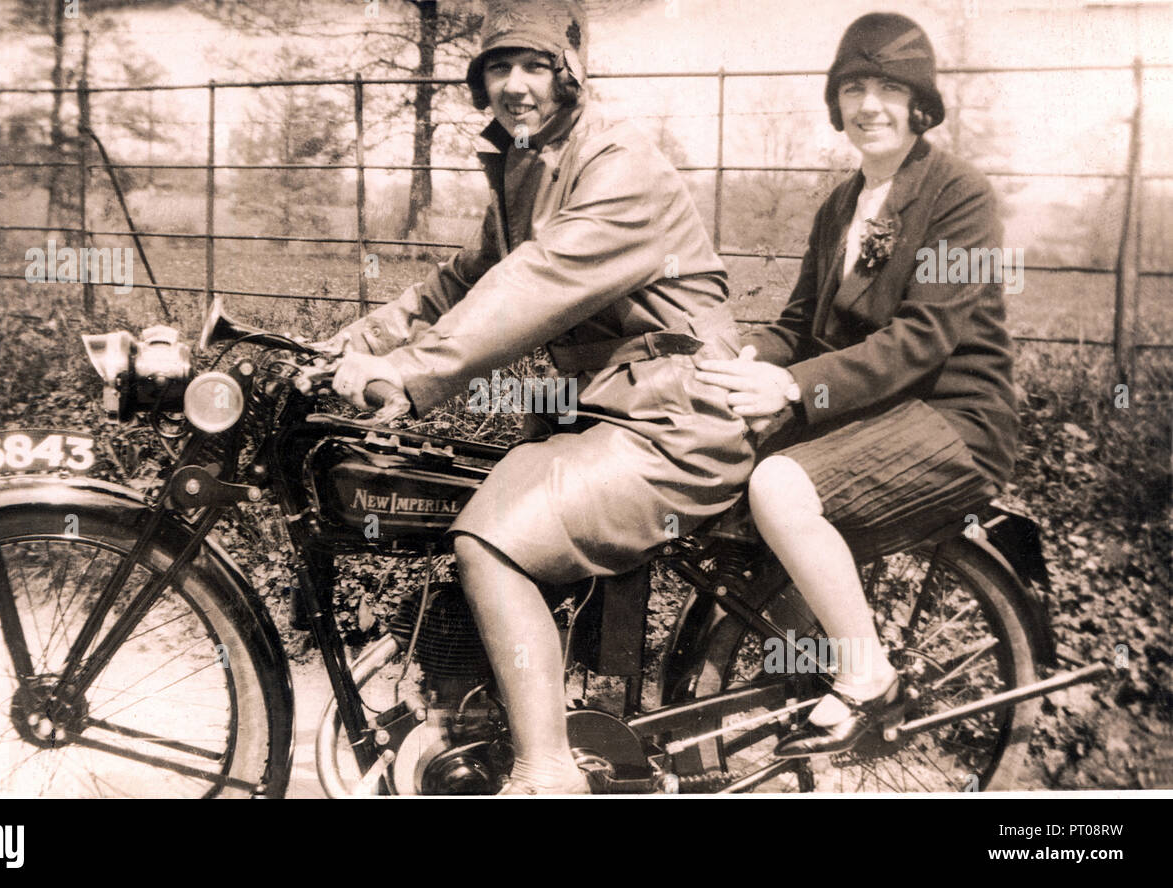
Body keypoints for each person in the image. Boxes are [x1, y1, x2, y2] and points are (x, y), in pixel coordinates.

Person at [302, 0, 754, 793]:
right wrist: (356, 342)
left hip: (677, 419)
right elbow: (463, 279)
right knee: (457, 493)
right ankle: (481, 715)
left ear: (570, 73)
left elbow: (535, 284)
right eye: (497, 68)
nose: (514, 86)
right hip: (607, 412)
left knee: (490, 540)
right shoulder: (526, 160)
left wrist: (412, 374)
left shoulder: (619, 163)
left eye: (534, 66)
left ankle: (547, 772)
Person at [695, 12, 1019, 757]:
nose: (869, 104)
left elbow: (924, 338)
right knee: (707, 450)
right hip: (876, 412)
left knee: (780, 486)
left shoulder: (962, 196)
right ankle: (790, 670)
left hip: (955, 419)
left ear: (919, 105)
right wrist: (742, 357)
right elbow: (801, 323)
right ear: (836, 102)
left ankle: (870, 679)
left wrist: (792, 388)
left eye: (888, 88)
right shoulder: (840, 204)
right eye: (853, 87)